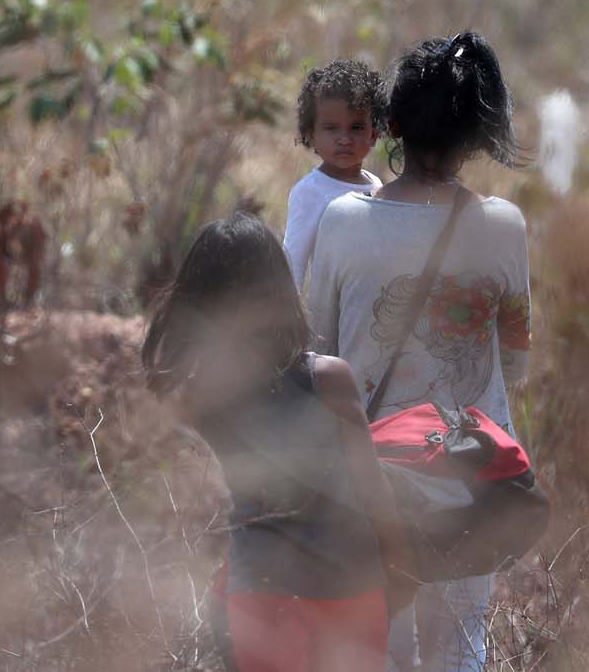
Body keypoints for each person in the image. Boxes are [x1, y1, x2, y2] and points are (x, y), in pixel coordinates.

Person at [306, 31, 535, 672]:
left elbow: (319, 350)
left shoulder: (342, 222)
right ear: (476, 140)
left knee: (378, 650)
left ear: (391, 125)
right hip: (472, 479)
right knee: (462, 649)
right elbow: (516, 362)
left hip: (365, 483)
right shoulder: (502, 227)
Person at [142, 213, 413, 672]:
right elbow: (373, 493)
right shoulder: (329, 379)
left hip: (259, 589)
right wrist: (404, 566)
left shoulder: (199, 394)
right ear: (277, 291)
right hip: (348, 585)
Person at [283, 59, 385, 289]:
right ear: (310, 135)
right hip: (328, 314)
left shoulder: (376, 186)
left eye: (356, 127)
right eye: (331, 128)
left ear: (374, 134)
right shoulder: (310, 192)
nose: (345, 139)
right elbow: (293, 261)